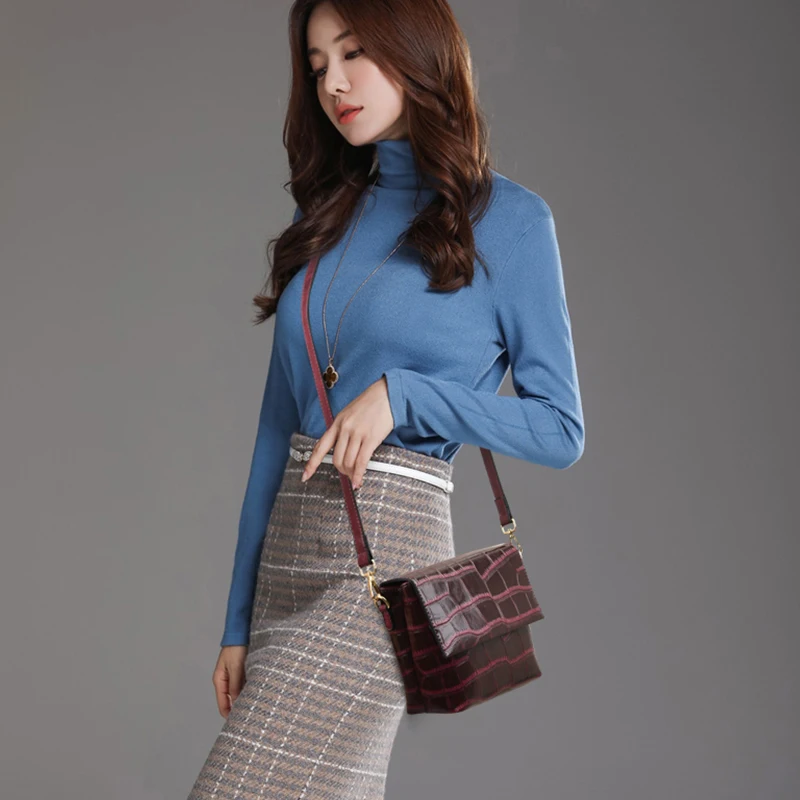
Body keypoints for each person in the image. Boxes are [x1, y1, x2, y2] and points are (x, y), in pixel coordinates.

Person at [187, 0, 585, 797]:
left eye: (353, 53)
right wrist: (237, 621)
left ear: (415, 50)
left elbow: (559, 429)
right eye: (316, 67)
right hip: (287, 561)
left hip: (384, 570)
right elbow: (275, 430)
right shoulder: (323, 215)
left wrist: (406, 397)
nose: (333, 83)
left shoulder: (509, 222)